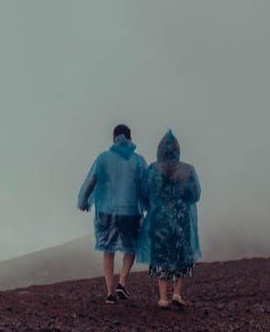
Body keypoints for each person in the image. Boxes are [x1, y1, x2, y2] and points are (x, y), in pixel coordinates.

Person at [78, 124, 147, 304]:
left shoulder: (103, 158)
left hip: (106, 212)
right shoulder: (138, 161)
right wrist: (151, 205)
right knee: (131, 247)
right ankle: (122, 282)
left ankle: (110, 294)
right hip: (131, 211)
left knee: (108, 250)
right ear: (130, 138)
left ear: (113, 138)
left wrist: (83, 201)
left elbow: (91, 180)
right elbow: (146, 186)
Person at [138, 130, 201, 308]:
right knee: (183, 252)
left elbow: (144, 193)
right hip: (181, 216)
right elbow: (195, 194)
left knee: (160, 254)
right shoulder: (188, 169)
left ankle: (163, 297)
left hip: (159, 217)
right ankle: (177, 293)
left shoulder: (152, 169)